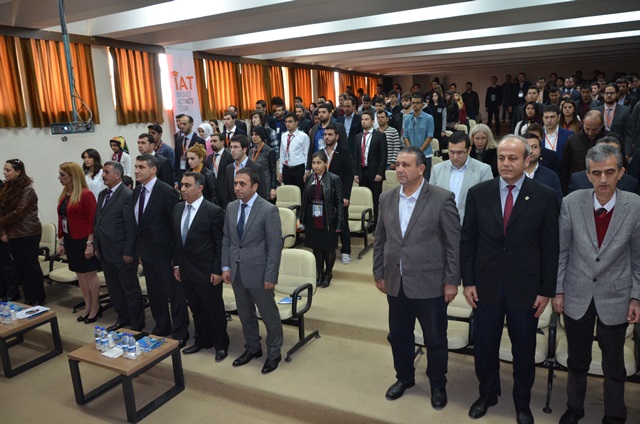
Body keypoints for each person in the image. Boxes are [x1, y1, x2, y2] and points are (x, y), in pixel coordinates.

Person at [461, 135, 559, 424]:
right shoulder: (479, 193)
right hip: (486, 286)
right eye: (501, 157)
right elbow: (468, 241)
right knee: (484, 347)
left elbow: (550, 247)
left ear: (527, 160)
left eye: (513, 158)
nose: (505, 163)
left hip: (526, 289)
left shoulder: (544, 195)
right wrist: (469, 281)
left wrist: (546, 290)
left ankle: (522, 403)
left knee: (524, 351)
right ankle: (487, 393)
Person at [554, 143, 640, 424]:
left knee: (614, 364)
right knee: (577, 360)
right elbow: (562, 251)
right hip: (576, 293)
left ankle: (615, 415)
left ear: (621, 173)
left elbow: (638, 257)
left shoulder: (635, 205)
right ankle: (574, 408)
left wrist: (636, 296)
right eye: (596, 173)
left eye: (610, 172)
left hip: (616, 296)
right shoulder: (571, 203)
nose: (603, 179)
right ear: (587, 175)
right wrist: (558, 290)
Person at [373, 146, 460, 409]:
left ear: (421, 169)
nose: (399, 169)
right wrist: (379, 272)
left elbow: (453, 244)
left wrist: (451, 280)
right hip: (396, 281)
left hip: (430, 283)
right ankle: (404, 377)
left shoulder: (441, 198)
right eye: (397, 164)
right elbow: (380, 239)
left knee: (435, 339)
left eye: (406, 165)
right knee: (399, 336)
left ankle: (437, 384)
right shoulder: (386, 198)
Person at [221, 168, 283, 374]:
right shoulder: (231, 207)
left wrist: (270, 276)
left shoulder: (268, 210)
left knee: (268, 315)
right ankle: (252, 347)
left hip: (260, 273)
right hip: (237, 270)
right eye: (235, 183)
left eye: (242, 184)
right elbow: (227, 239)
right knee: (245, 313)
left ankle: (274, 352)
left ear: (254, 186)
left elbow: (274, 247)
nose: (237, 187)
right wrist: (226, 266)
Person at [133, 154, 189, 347]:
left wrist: (177, 260)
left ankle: (180, 331)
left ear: (153, 169)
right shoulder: (136, 191)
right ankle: (162, 326)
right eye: (136, 167)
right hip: (147, 252)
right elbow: (138, 225)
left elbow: (175, 228)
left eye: (141, 167)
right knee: (154, 292)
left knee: (174, 294)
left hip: (166, 253)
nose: (137, 171)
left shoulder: (166, 192)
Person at [173, 172, 229, 360]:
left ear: (200, 188)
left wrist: (218, 270)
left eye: (187, 185)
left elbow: (220, 244)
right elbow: (176, 241)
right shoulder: (178, 208)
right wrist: (177, 265)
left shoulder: (213, 211)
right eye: (182, 185)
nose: (183, 189)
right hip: (186, 270)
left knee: (214, 310)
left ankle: (221, 344)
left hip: (207, 271)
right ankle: (201, 340)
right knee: (196, 309)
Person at [94, 161, 145, 332]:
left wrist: (129, 251)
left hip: (122, 251)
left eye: (107, 172)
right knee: (114, 289)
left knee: (129, 289)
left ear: (118, 175)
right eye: (103, 172)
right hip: (105, 250)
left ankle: (137, 322)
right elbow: (98, 221)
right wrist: (96, 245)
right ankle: (123, 317)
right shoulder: (103, 194)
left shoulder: (127, 194)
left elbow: (131, 227)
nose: (103, 175)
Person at [57, 162, 102, 322]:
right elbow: (63, 218)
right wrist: (62, 241)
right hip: (70, 239)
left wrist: (90, 243)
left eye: (62, 175)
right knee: (80, 275)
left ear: (72, 176)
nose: (59, 178)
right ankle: (87, 304)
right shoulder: (65, 194)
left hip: (84, 240)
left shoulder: (86, 194)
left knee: (89, 274)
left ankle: (95, 305)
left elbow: (92, 221)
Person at [0, 159, 44, 305]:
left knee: (30, 266)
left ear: (18, 172)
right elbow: (4, 211)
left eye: (8, 170)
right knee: (20, 267)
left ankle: (37, 297)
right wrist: (3, 230)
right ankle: (29, 297)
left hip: (27, 232)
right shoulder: (7, 188)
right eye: (4, 170)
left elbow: (19, 212)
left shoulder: (27, 189)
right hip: (13, 232)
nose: (4, 173)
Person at [301, 151, 344, 288]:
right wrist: (302, 219)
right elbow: (304, 200)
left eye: (319, 163)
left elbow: (339, 203)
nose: (316, 166)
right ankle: (319, 273)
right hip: (312, 218)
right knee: (317, 248)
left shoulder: (334, 179)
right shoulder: (309, 177)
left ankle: (328, 274)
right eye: (313, 163)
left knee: (328, 248)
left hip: (328, 219)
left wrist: (339, 223)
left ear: (326, 163)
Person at [429, 132, 493, 223]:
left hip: (471, 224)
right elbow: (431, 200)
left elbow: (488, 202)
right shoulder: (437, 169)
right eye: (452, 152)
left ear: (469, 150)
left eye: (460, 153)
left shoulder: (483, 170)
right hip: (442, 224)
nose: (455, 157)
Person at [354, 110, 387, 225]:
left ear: (373, 121)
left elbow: (383, 156)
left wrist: (380, 173)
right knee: (364, 199)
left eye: (366, 119)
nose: (363, 121)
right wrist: (356, 173)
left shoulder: (380, 136)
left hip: (375, 172)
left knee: (376, 200)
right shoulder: (358, 137)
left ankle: (377, 224)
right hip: (362, 171)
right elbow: (356, 156)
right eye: (362, 119)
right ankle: (366, 223)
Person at [225, 135, 268, 207]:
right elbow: (227, 193)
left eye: (236, 147)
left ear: (244, 149)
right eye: (231, 147)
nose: (232, 150)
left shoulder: (256, 168)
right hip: (234, 208)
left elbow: (262, 193)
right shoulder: (229, 168)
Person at [522, 133, 563, 207]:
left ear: (540, 150)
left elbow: (557, 204)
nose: (530, 151)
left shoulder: (551, 176)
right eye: (527, 147)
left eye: (535, 147)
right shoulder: (513, 175)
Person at [404, 93, 435, 180]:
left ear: (422, 104)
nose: (415, 105)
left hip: (425, 155)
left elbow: (430, 136)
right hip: (411, 155)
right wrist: (412, 151)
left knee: (425, 180)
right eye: (413, 103)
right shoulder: (407, 119)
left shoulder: (429, 118)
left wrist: (419, 151)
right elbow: (405, 137)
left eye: (417, 103)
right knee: (412, 179)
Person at [205, 133, 233, 208]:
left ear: (222, 142)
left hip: (225, 193)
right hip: (213, 193)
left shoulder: (229, 156)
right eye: (211, 141)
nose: (212, 143)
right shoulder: (210, 158)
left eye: (215, 141)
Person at [249, 126, 277, 201]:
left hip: (265, 183)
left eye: (256, 135)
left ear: (261, 135)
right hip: (253, 182)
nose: (253, 137)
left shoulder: (269, 151)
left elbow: (273, 171)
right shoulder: (251, 151)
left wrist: (273, 188)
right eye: (252, 135)